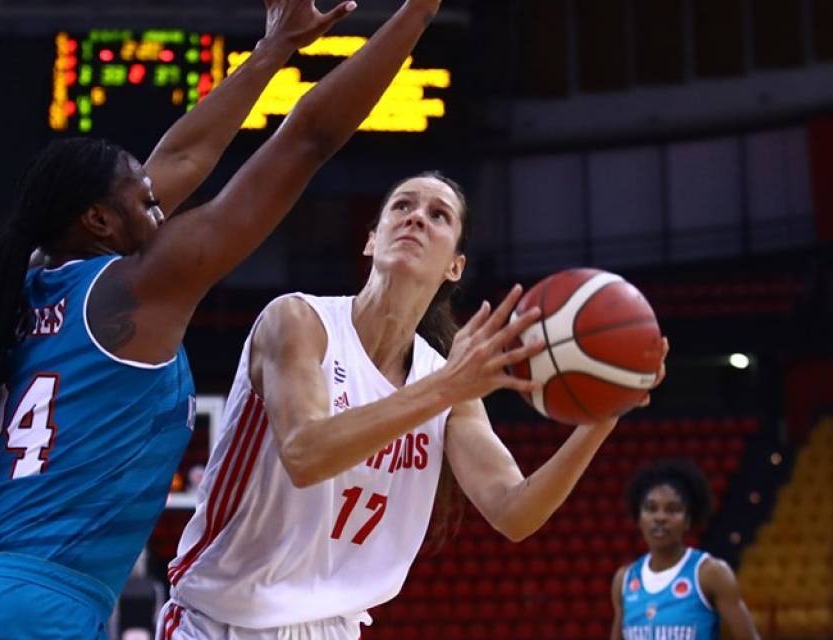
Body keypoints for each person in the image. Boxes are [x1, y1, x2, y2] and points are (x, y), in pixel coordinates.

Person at [0, 1, 447, 638]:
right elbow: (307, 140)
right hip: (32, 613)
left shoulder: (35, 281)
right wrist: (417, 12)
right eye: (145, 201)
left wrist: (272, 51)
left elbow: (182, 159)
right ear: (98, 220)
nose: (162, 210)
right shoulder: (134, 292)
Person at [156, 170, 668, 639]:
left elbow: (515, 511)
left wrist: (600, 418)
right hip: (216, 622)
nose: (417, 217)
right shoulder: (298, 322)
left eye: (438, 215)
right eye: (403, 206)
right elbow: (305, 454)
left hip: (330, 628)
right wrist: (447, 386)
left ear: (455, 266)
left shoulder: (443, 378)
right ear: (371, 239)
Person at [611, 459, 759, 640]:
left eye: (672, 510)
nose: (660, 517)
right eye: (651, 509)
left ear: (688, 519)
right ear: (639, 517)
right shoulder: (624, 579)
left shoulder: (710, 573)